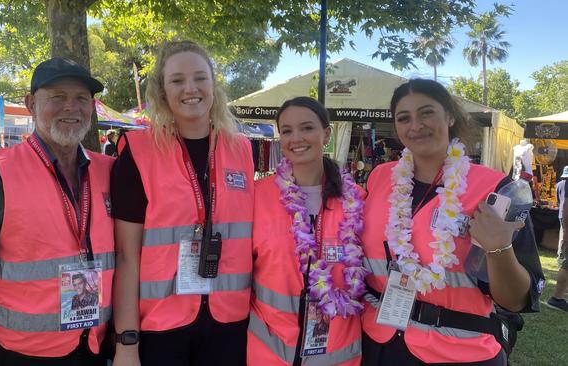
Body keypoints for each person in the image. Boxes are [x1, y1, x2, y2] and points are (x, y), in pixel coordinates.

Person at [0, 57, 115, 366]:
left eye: (81, 98)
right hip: (11, 354)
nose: (71, 107)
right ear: (30, 103)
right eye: (58, 97)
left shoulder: (109, 171)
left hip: (91, 351)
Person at [360, 79, 545, 365]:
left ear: (449, 116)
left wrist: (499, 249)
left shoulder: (495, 188)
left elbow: (516, 300)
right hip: (376, 343)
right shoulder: (379, 178)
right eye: (403, 117)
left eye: (426, 113)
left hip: (457, 351)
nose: (416, 125)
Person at [111, 40, 254, 366]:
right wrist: (126, 343)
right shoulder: (138, 152)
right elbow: (127, 256)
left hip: (229, 326)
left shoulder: (242, 150)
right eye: (177, 80)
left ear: (213, 85)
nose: (191, 88)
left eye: (200, 78)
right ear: (162, 91)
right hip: (161, 329)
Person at [247, 97, 366, 365]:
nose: (296, 138)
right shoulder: (257, 196)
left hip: (338, 354)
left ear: (326, 134)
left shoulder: (358, 200)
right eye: (287, 131)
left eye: (307, 128)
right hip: (269, 350)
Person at [548, 166, 568, 312]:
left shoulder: (561, 184)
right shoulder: (566, 184)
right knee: (566, 263)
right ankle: (557, 297)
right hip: (565, 219)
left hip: (563, 217)